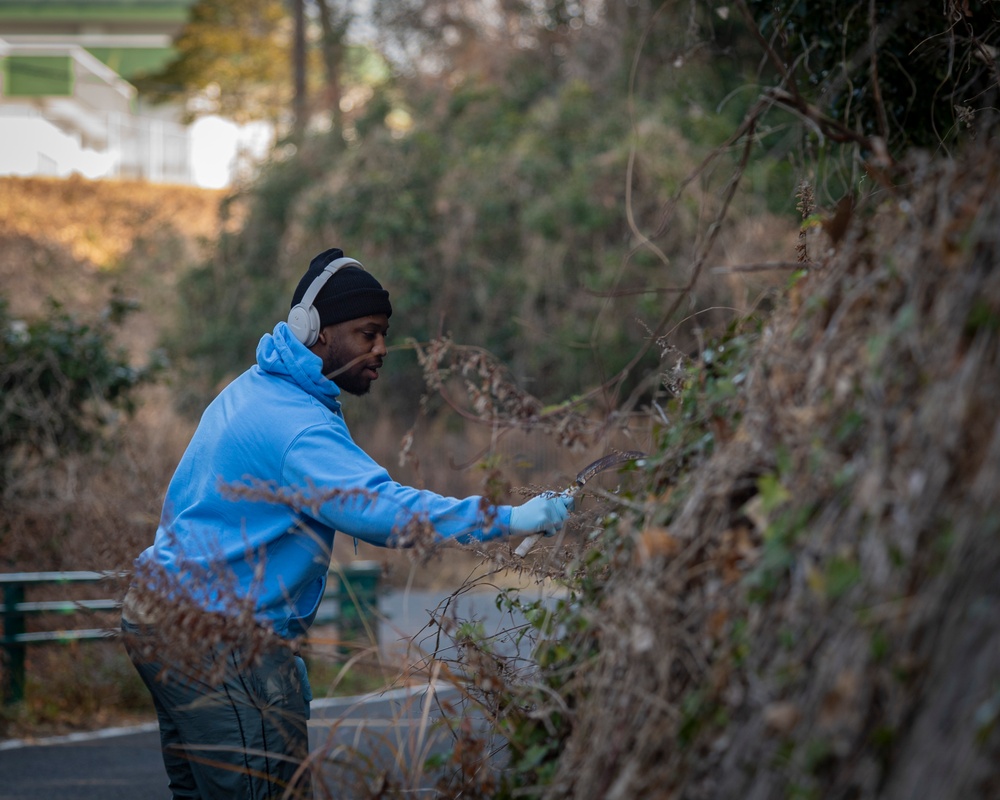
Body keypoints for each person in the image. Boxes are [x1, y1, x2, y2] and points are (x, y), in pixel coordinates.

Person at [121, 248, 573, 800]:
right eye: (367, 333)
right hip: (223, 640)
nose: (381, 349)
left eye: (383, 334)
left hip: (163, 619)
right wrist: (507, 518)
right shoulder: (294, 426)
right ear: (315, 330)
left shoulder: (249, 391)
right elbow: (382, 511)